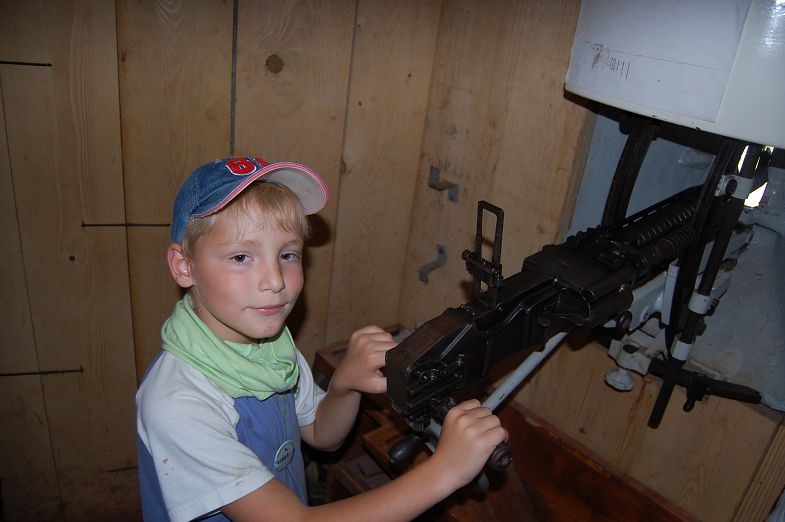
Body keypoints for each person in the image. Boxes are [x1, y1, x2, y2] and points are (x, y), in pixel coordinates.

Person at [136, 155, 508, 522]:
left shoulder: (271, 349)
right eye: (240, 257)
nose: (275, 281)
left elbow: (320, 434)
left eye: (287, 254)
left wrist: (344, 385)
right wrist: (445, 471)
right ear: (184, 267)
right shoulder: (177, 405)